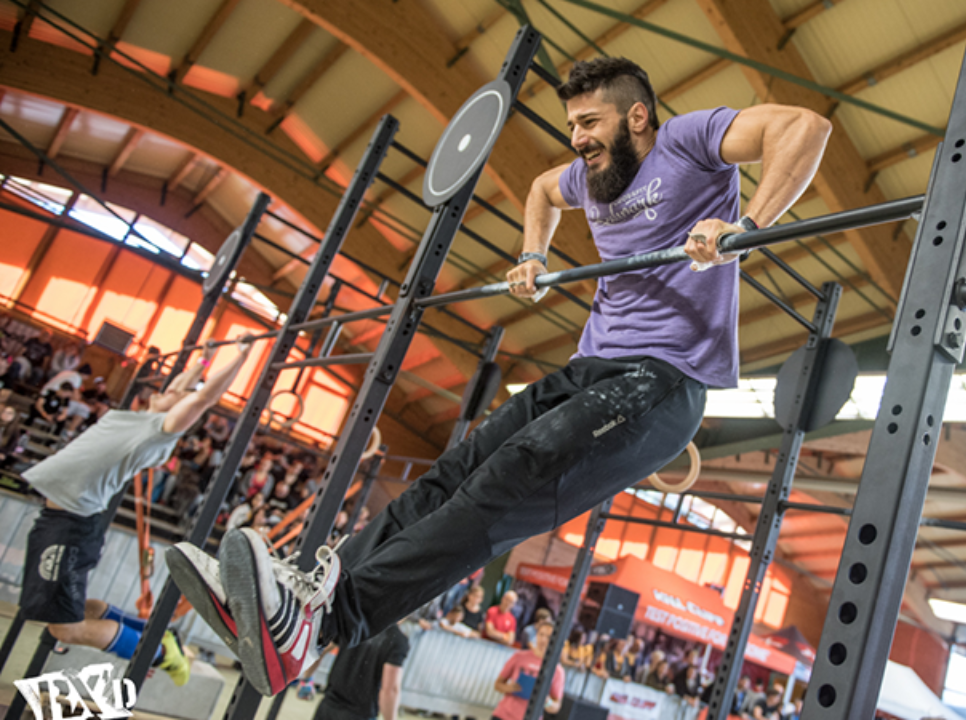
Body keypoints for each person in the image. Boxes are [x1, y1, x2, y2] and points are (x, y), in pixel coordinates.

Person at [167, 55, 832, 697]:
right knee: (451, 474)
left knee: (512, 472)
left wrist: (746, 226)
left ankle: (327, 625)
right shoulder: (585, 178)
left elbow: (805, 127)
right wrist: (533, 252)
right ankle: (311, 598)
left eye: (591, 124)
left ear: (637, 118)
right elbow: (543, 190)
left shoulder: (685, 141)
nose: (578, 140)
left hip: (663, 381)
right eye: (572, 125)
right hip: (589, 367)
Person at [18, 336, 255, 686]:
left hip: (69, 525)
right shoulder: (143, 416)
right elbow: (184, 387)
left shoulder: (158, 432)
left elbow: (203, 398)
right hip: (57, 519)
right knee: (80, 611)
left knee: (65, 629)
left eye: (176, 393)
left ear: (177, 407)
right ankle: (153, 633)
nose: (167, 388)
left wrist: (241, 356)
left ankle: (160, 653)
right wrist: (203, 362)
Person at [312, 625, 407, 720]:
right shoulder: (396, 640)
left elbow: (321, 649)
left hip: (328, 707)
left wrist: (306, 679)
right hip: (359, 714)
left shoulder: (355, 623)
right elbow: (390, 690)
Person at [492, 620, 564, 720]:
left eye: (548, 637)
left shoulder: (557, 670)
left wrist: (546, 700)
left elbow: (555, 707)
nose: (543, 639)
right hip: (503, 715)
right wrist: (511, 688)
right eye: (541, 634)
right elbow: (498, 685)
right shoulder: (519, 656)